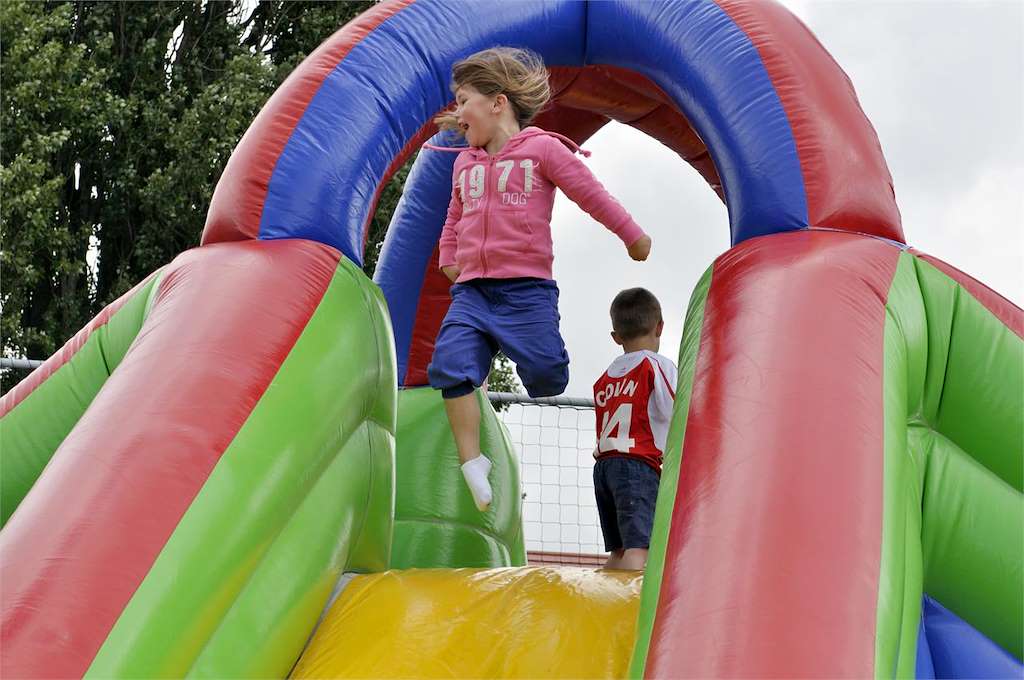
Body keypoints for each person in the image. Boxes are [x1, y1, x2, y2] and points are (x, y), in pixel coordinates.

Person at [424, 47, 652, 511]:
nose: (457, 113)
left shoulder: (542, 150)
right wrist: (450, 258)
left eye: (464, 99)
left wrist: (632, 236)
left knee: (547, 377)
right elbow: (453, 218)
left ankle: (531, 358)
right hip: (472, 292)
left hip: (526, 292)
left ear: (497, 102)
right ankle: (472, 462)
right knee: (449, 364)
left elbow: (591, 194)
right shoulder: (464, 163)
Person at [592, 288, 677, 570]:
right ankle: (630, 612)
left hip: (604, 467)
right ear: (660, 326)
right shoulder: (655, 366)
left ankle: (603, 601)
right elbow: (676, 410)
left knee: (618, 551)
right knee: (640, 550)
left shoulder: (607, 376)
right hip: (637, 466)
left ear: (616, 337)